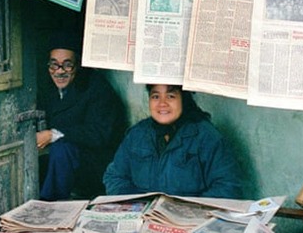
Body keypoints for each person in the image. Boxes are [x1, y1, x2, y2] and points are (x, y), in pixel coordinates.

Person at [103, 85, 242, 199]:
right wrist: (139, 204)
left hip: (189, 220)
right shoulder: (137, 134)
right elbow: (115, 176)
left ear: (184, 99)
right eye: (155, 96)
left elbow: (228, 186)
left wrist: (188, 209)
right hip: (144, 216)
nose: (162, 104)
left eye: (171, 96)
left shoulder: (207, 136)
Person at [35, 35, 126, 201]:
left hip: (93, 164)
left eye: (67, 65)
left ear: (77, 66)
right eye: (54, 65)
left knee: (61, 149)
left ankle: (51, 203)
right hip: (60, 164)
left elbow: (100, 134)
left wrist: (53, 134)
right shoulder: (47, 88)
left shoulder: (96, 88)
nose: (60, 71)